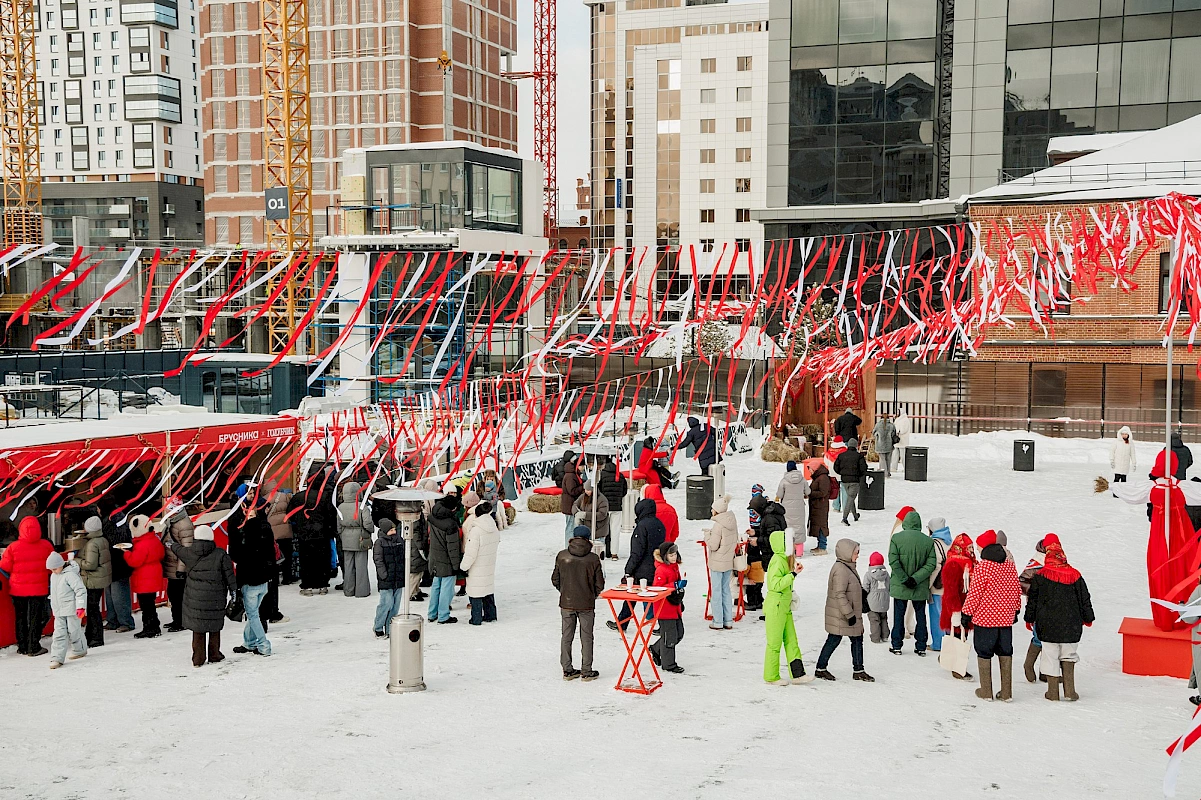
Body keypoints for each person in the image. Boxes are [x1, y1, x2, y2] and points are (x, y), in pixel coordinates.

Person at [1024, 534, 1094, 701]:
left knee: (1050, 656)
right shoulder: (1075, 575)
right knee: (1069, 655)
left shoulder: (1040, 576)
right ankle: (1070, 691)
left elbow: (1033, 601)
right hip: (1071, 625)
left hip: (1047, 626)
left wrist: (1029, 618)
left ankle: (1052, 692)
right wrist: (1088, 617)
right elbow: (1085, 599)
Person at [962, 530, 1023, 702]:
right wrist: (1015, 610)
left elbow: (975, 593)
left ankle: (986, 691)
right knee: (1005, 651)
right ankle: (1006, 692)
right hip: (1005, 619)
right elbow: (1016, 590)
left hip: (985, 619)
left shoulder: (984, 567)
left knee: (984, 652)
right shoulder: (1009, 564)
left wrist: (966, 613)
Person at [168, 525, 237, 668]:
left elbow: (177, 549)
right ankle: (214, 654)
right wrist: (234, 592)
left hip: (195, 598)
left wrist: (171, 543)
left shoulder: (189, 553)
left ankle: (198, 659)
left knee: (198, 629)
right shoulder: (221, 554)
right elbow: (230, 576)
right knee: (214, 626)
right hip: (216, 598)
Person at [814, 539, 874, 682]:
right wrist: (849, 614)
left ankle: (858, 670)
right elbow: (839, 594)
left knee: (855, 639)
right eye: (856, 552)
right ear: (847, 553)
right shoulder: (841, 570)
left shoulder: (847, 566)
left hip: (848, 614)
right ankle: (821, 668)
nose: (858, 555)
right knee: (835, 639)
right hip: (843, 615)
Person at [552, 525, 605, 681]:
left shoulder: (562, 556)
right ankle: (586, 670)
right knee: (587, 637)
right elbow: (600, 584)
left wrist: (564, 591)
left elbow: (555, 579)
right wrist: (592, 594)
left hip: (566, 603)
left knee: (566, 636)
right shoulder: (593, 558)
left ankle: (567, 669)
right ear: (588, 539)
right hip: (586, 603)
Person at [608, 498, 666, 632]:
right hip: (656, 566)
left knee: (631, 597)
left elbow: (637, 552)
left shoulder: (642, 527)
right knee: (655, 597)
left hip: (642, 568)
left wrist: (628, 569)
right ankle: (662, 625)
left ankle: (622, 623)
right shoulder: (659, 524)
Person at [229, 496, 276, 657]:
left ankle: (264, 645)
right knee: (254, 612)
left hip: (250, 579)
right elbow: (270, 554)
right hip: (264, 578)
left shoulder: (245, 532)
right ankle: (249, 643)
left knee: (252, 614)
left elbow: (236, 555)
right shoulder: (266, 528)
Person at [763, 528, 812, 685]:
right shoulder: (777, 560)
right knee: (774, 642)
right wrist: (793, 575)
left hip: (784, 606)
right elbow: (775, 584)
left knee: (791, 640)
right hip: (776, 606)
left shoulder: (784, 559)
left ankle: (798, 674)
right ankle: (771, 676)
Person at [0, 516, 54, 656]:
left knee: (20, 617)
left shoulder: (12, 547)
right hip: (39, 589)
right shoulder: (46, 546)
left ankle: (22, 645)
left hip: (18, 590)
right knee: (35, 617)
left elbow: (4, 566)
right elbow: (51, 568)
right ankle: (34, 646)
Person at [887, 509, 937, 656]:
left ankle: (896, 645)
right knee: (920, 616)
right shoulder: (928, 541)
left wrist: (904, 578)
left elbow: (893, 561)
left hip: (900, 585)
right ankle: (921, 646)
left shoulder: (896, 538)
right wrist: (916, 578)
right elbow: (931, 564)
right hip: (919, 585)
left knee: (898, 615)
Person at [123, 515, 165, 639]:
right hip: (154, 575)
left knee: (146, 606)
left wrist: (126, 554)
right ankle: (154, 626)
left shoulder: (142, 544)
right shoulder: (154, 539)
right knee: (150, 604)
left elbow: (134, 561)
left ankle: (150, 628)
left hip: (145, 578)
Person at [290, 476, 332, 596]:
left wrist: (299, 524)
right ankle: (322, 584)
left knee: (306, 559)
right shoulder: (325, 497)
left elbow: (290, 513)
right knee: (322, 559)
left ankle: (307, 585)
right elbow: (331, 515)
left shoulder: (298, 497)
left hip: (304, 534)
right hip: (322, 533)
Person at [45, 552, 87, 668]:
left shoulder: (70, 575)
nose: (53, 571)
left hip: (72, 609)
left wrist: (81, 607)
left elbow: (80, 591)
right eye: (51, 569)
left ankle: (80, 650)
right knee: (59, 634)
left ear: (61, 565)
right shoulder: (54, 576)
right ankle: (56, 658)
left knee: (74, 631)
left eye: (55, 568)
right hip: (59, 610)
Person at [461, 503, 501, 625]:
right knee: (487, 589)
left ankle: (476, 618)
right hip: (489, 563)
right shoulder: (493, 527)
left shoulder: (476, 531)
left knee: (476, 592)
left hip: (477, 566)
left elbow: (471, 553)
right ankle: (490, 615)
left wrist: (463, 566)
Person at [426, 492, 462, 624]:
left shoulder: (432, 516)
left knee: (436, 586)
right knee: (447, 588)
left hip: (434, 557)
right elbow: (453, 548)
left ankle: (432, 613)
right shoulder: (450, 525)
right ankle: (443, 615)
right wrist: (456, 565)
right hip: (446, 560)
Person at [650, 541, 685, 673]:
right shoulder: (661, 569)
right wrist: (674, 586)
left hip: (674, 605)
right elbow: (658, 588)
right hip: (664, 608)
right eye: (671, 555)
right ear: (665, 556)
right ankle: (669, 664)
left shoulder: (674, 567)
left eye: (675, 554)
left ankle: (656, 648)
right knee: (670, 637)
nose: (674, 557)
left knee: (679, 634)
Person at [77, 516, 112, 649]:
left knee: (92, 609)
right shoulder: (102, 540)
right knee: (93, 608)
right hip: (100, 579)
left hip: (92, 580)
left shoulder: (92, 543)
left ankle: (95, 637)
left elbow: (90, 564)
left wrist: (76, 561)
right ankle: (91, 635)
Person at [704, 495, 738, 630]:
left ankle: (718, 621)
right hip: (728, 561)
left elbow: (713, 545)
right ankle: (728, 620)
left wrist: (707, 535)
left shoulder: (718, 526)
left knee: (716, 591)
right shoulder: (732, 522)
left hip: (717, 562)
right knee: (726, 590)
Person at [335, 481, 374, 598]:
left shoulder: (340, 507)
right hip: (360, 538)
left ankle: (348, 590)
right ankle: (362, 591)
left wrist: (343, 536)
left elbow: (339, 525)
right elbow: (368, 523)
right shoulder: (362, 507)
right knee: (361, 565)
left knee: (348, 565)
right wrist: (369, 531)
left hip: (346, 538)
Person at [161, 502, 195, 630]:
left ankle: (181, 621)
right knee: (173, 594)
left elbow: (186, 549)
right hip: (172, 565)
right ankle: (176, 619)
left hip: (178, 567)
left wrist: (181, 569)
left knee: (178, 595)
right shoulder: (172, 522)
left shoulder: (184, 524)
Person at [101, 510, 135, 634]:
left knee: (118, 595)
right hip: (113, 563)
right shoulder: (118, 520)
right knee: (111, 595)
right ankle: (113, 620)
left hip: (118, 564)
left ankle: (125, 622)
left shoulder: (112, 523)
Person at [1019, 539, 1047, 683]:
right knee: (1038, 638)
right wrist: (1038, 591)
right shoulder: (1035, 564)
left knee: (1049, 640)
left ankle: (1045, 671)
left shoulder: (1056, 563)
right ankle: (1028, 665)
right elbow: (1021, 582)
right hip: (1037, 608)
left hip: (1051, 608)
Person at [372, 519, 405, 637]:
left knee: (395, 606)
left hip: (398, 577)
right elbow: (378, 560)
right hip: (386, 579)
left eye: (394, 529)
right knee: (386, 604)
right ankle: (378, 626)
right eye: (391, 530)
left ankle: (390, 627)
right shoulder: (379, 543)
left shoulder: (399, 540)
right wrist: (384, 575)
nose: (394, 531)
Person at [926, 517, 952, 652]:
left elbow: (935, 566)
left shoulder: (934, 543)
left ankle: (938, 643)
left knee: (936, 615)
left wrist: (928, 585)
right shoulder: (950, 541)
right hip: (950, 585)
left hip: (938, 586)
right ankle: (949, 639)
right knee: (947, 615)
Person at [595, 456, 627, 558]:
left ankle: (604, 551)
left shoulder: (602, 475)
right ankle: (614, 553)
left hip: (604, 507)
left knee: (604, 530)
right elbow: (624, 491)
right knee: (615, 530)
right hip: (617, 507)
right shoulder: (620, 476)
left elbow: (598, 491)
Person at [833, 439, 868, 526]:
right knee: (850, 498)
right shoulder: (859, 456)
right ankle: (844, 518)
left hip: (844, 480)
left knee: (850, 497)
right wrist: (859, 475)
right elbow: (864, 468)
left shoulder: (841, 456)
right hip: (854, 481)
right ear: (856, 446)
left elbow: (835, 467)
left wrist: (842, 473)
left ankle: (855, 515)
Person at [267, 485, 296, 585]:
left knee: (275, 555)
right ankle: (287, 577)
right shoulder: (284, 496)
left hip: (273, 530)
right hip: (285, 528)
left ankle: (275, 579)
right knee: (287, 554)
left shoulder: (265, 498)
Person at [775, 461, 810, 542]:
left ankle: (790, 546)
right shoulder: (803, 479)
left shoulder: (784, 480)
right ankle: (799, 549)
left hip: (787, 507)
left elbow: (779, 495)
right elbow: (808, 492)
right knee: (799, 525)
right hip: (799, 507)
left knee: (788, 526)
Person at [572, 482, 610, 555]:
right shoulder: (583, 497)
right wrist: (576, 513)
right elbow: (575, 505)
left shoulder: (602, 499)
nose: (586, 491)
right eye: (585, 489)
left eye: (588, 490)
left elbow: (602, 514)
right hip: (587, 530)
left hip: (598, 530)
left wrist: (585, 515)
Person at [745, 494, 768, 611]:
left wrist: (757, 540)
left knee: (752, 590)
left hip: (753, 579)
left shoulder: (769, 519)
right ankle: (759, 601)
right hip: (761, 576)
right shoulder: (767, 517)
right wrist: (756, 532)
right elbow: (766, 532)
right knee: (758, 589)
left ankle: (753, 603)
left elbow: (770, 536)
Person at [862, 552, 890, 644]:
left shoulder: (868, 574)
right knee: (884, 619)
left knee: (874, 620)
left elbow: (865, 587)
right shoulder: (886, 574)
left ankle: (875, 637)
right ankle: (885, 636)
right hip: (884, 601)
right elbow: (889, 586)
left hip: (872, 603)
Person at [808, 462, 833, 554]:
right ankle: (820, 545)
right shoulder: (819, 477)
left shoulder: (823, 478)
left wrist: (810, 493)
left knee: (821, 526)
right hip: (817, 506)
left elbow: (823, 492)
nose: (809, 471)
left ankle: (822, 547)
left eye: (810, 469)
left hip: (821, 506)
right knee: (818, 525)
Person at [560, 452, 585, 545]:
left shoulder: (574, 474)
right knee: (570, 526)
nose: (583, 468)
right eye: (582, 466)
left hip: (571, 504)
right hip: (569, 505)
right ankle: (568, 546)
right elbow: (572, 491)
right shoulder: (571, 476)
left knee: (571, 525)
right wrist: (582, 487)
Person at [872, 413, 898, 478]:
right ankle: (888, 472)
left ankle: (884, 472)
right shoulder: (892, 425)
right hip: (889, 444)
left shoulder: (878, 425)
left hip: (880, 444)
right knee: (888, 459)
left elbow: (874, 433)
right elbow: (894, 434)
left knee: (882, 459)